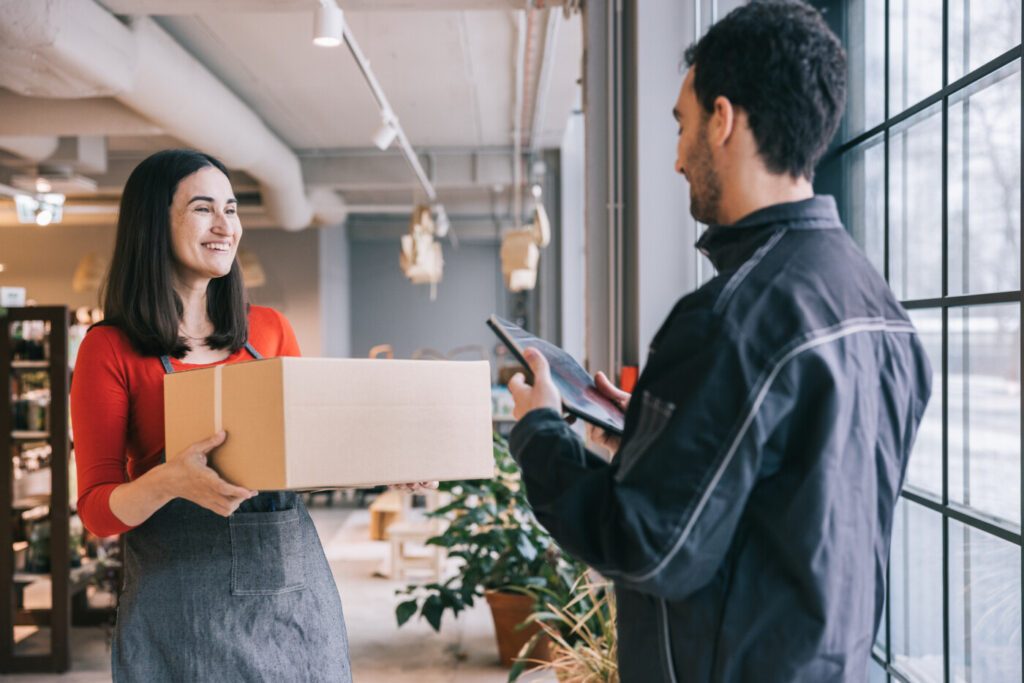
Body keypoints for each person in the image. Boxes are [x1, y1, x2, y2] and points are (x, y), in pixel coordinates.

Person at [506, 2, 932, 682]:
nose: (676, 158)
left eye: (682, 125)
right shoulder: (883, 312)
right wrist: (645, 439)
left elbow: (645, 548)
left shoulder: (726, 319)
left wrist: (537, 432)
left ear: (724, 119)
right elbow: (788, 509)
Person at [71, 149, 353, 681]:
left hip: (293, 598)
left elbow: (309, 457)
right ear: (155, 223)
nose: (226, 226)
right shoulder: (109, 349)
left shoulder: (268, 331)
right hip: (179, 605)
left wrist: (386, 466)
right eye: (204, 209)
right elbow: (96, 512)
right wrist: (169, 482)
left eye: (232, 208)